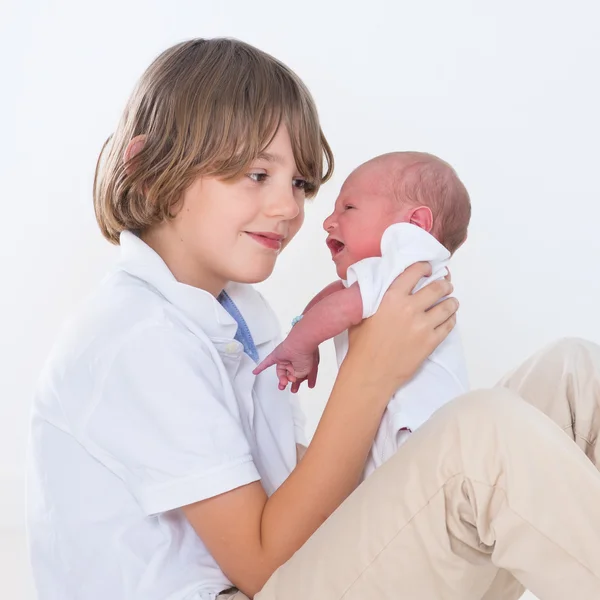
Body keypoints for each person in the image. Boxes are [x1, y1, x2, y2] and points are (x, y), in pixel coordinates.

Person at [26, 37, 600, 600]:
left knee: (574, 374)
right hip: (255, 584)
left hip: (295, 569)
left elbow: (292, 488)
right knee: (484, 433)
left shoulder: (235, 314)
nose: (289, 208)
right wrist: (370, 375)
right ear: (150, 168)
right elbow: (261, 566)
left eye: (299, 183)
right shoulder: (136, 336)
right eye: (257, 175)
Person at [254, 151, 471, 479]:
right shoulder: (393, 278)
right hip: (409, 447)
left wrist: (298, 345)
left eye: (349, 208)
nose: (329, 221)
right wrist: (304, 332)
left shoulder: (408, 262)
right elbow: (338, 295)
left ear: (413, 227)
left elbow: (341, 306)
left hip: (421, 449)